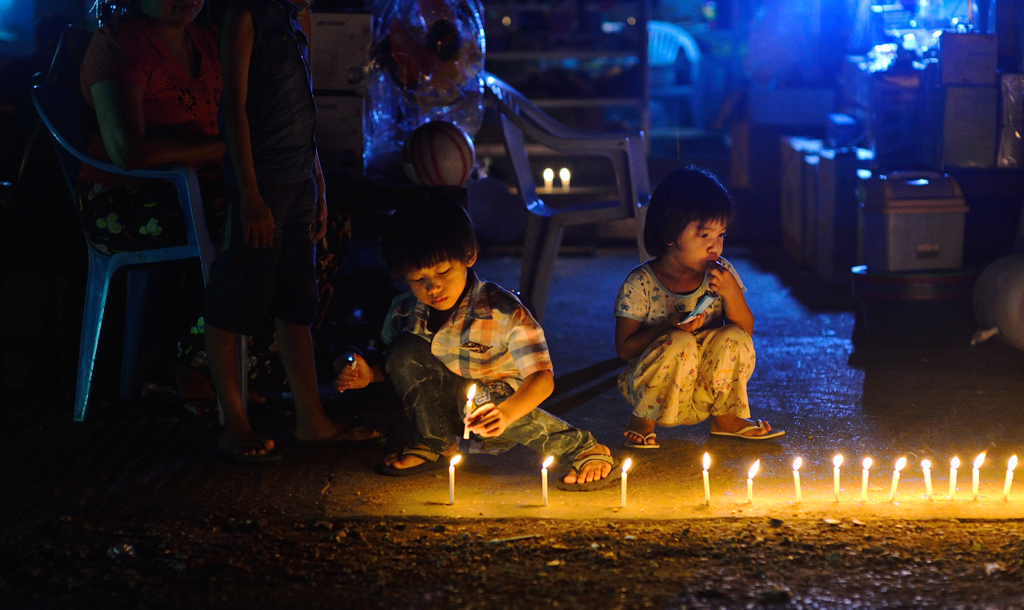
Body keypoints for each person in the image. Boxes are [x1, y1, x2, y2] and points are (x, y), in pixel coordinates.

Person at [334, 198, 618, 490]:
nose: (433, 288)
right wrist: (369, 374)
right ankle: (435, 441)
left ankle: (583, 448)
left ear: (469, 255)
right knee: (404, 348)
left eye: (443, 272)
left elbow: (542, 379)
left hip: (501, 412)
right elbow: (397, 364)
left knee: (485, 399)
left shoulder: (504, 311)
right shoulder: (404, 310)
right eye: (419, 279)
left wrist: (506, 413)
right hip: (449, 406)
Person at [204, 0, 379, 462]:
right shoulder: (245, 17)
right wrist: (250, 194)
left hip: (299, 181)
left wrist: (316, 178)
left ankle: (311, 420)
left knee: (296, 304)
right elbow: (235, 109)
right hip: (264, 183)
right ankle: (234, 424)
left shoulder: (295, 18)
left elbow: (303, 106)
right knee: (234, 300)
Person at [614, 167, 784, 448]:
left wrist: (731, 292)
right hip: (657, 389)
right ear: (670, 234)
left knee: (733, 337)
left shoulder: (722, 275)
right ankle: (643, 420)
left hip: (705, 388)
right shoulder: (640, 283)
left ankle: (726, 417)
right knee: (679, 340)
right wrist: (668, 326)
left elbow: (745, 332)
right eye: (704, 235)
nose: (715, 246)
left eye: (721, 235)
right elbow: (624, 349)